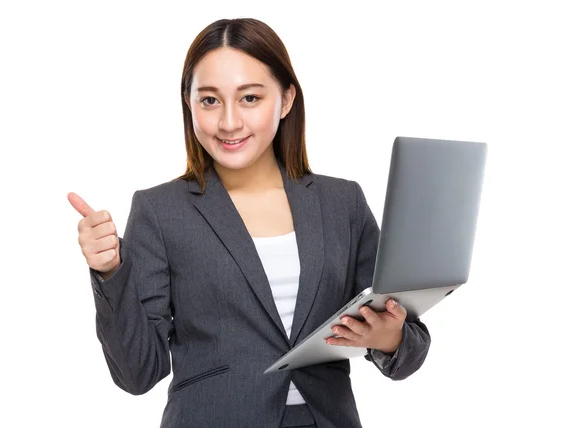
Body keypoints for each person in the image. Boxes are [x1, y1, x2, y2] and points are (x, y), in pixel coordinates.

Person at [68, 17, 430, 428]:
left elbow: (409, 347)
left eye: (250, 98)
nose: (228, 122)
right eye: (209, 100)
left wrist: (388, 338)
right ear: (189, 104)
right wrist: (111, 271)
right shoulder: (160, 211)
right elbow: (138, 374)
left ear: (287, 99)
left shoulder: (341, 202)